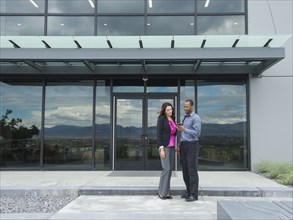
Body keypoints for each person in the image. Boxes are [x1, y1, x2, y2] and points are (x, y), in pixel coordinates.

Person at [177, 99, 201, 202]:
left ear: (192, 106)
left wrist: (184, 129)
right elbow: (183, 134)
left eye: (187, 107)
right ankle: (188, 191)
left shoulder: (196, 118)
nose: (185, 108)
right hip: (184, 145)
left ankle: (194, 194)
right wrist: (179, 145)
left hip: (192, 146)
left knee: (192, 170)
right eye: (184, 107)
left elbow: (197, 133)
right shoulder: (185, 118)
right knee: (185, 171)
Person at [156, 102, 177, 200]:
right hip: (164, 147)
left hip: (172, 147)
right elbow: (159, 134)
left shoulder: (173, 119)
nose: (170, 111)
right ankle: (161, 193)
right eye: (168, 110)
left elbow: (174, 133)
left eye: (171, 109)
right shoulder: (161, 119)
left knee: (170, 170)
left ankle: (166, 192)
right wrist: (161, 148)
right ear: (164, 111)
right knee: (166, 169)